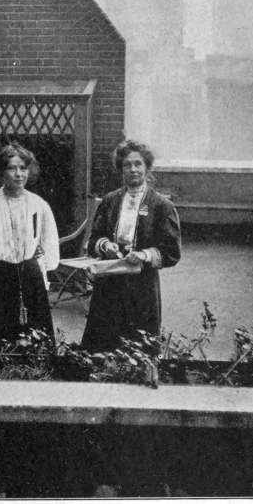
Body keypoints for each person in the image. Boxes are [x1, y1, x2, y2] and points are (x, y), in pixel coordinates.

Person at [81, 139, 181, 351]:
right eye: (127, 165)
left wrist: (145, 255)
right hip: (109, 282)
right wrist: (105, 245)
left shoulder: (162, 205)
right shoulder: (110, 201)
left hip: (142, 286)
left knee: (139, 345)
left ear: (146, 167)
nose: (133, 169)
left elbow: (172, 252)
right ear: (121, 169)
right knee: (103, 343)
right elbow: (93, 240)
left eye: (138, 164)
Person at [0, 143, 59, 342]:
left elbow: (48, 240)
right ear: (2, 171)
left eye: (23, 168)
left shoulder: (38, 204)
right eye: (12, 168)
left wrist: (39, 264)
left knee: (35, 332)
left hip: (29, 275)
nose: (19, 174)